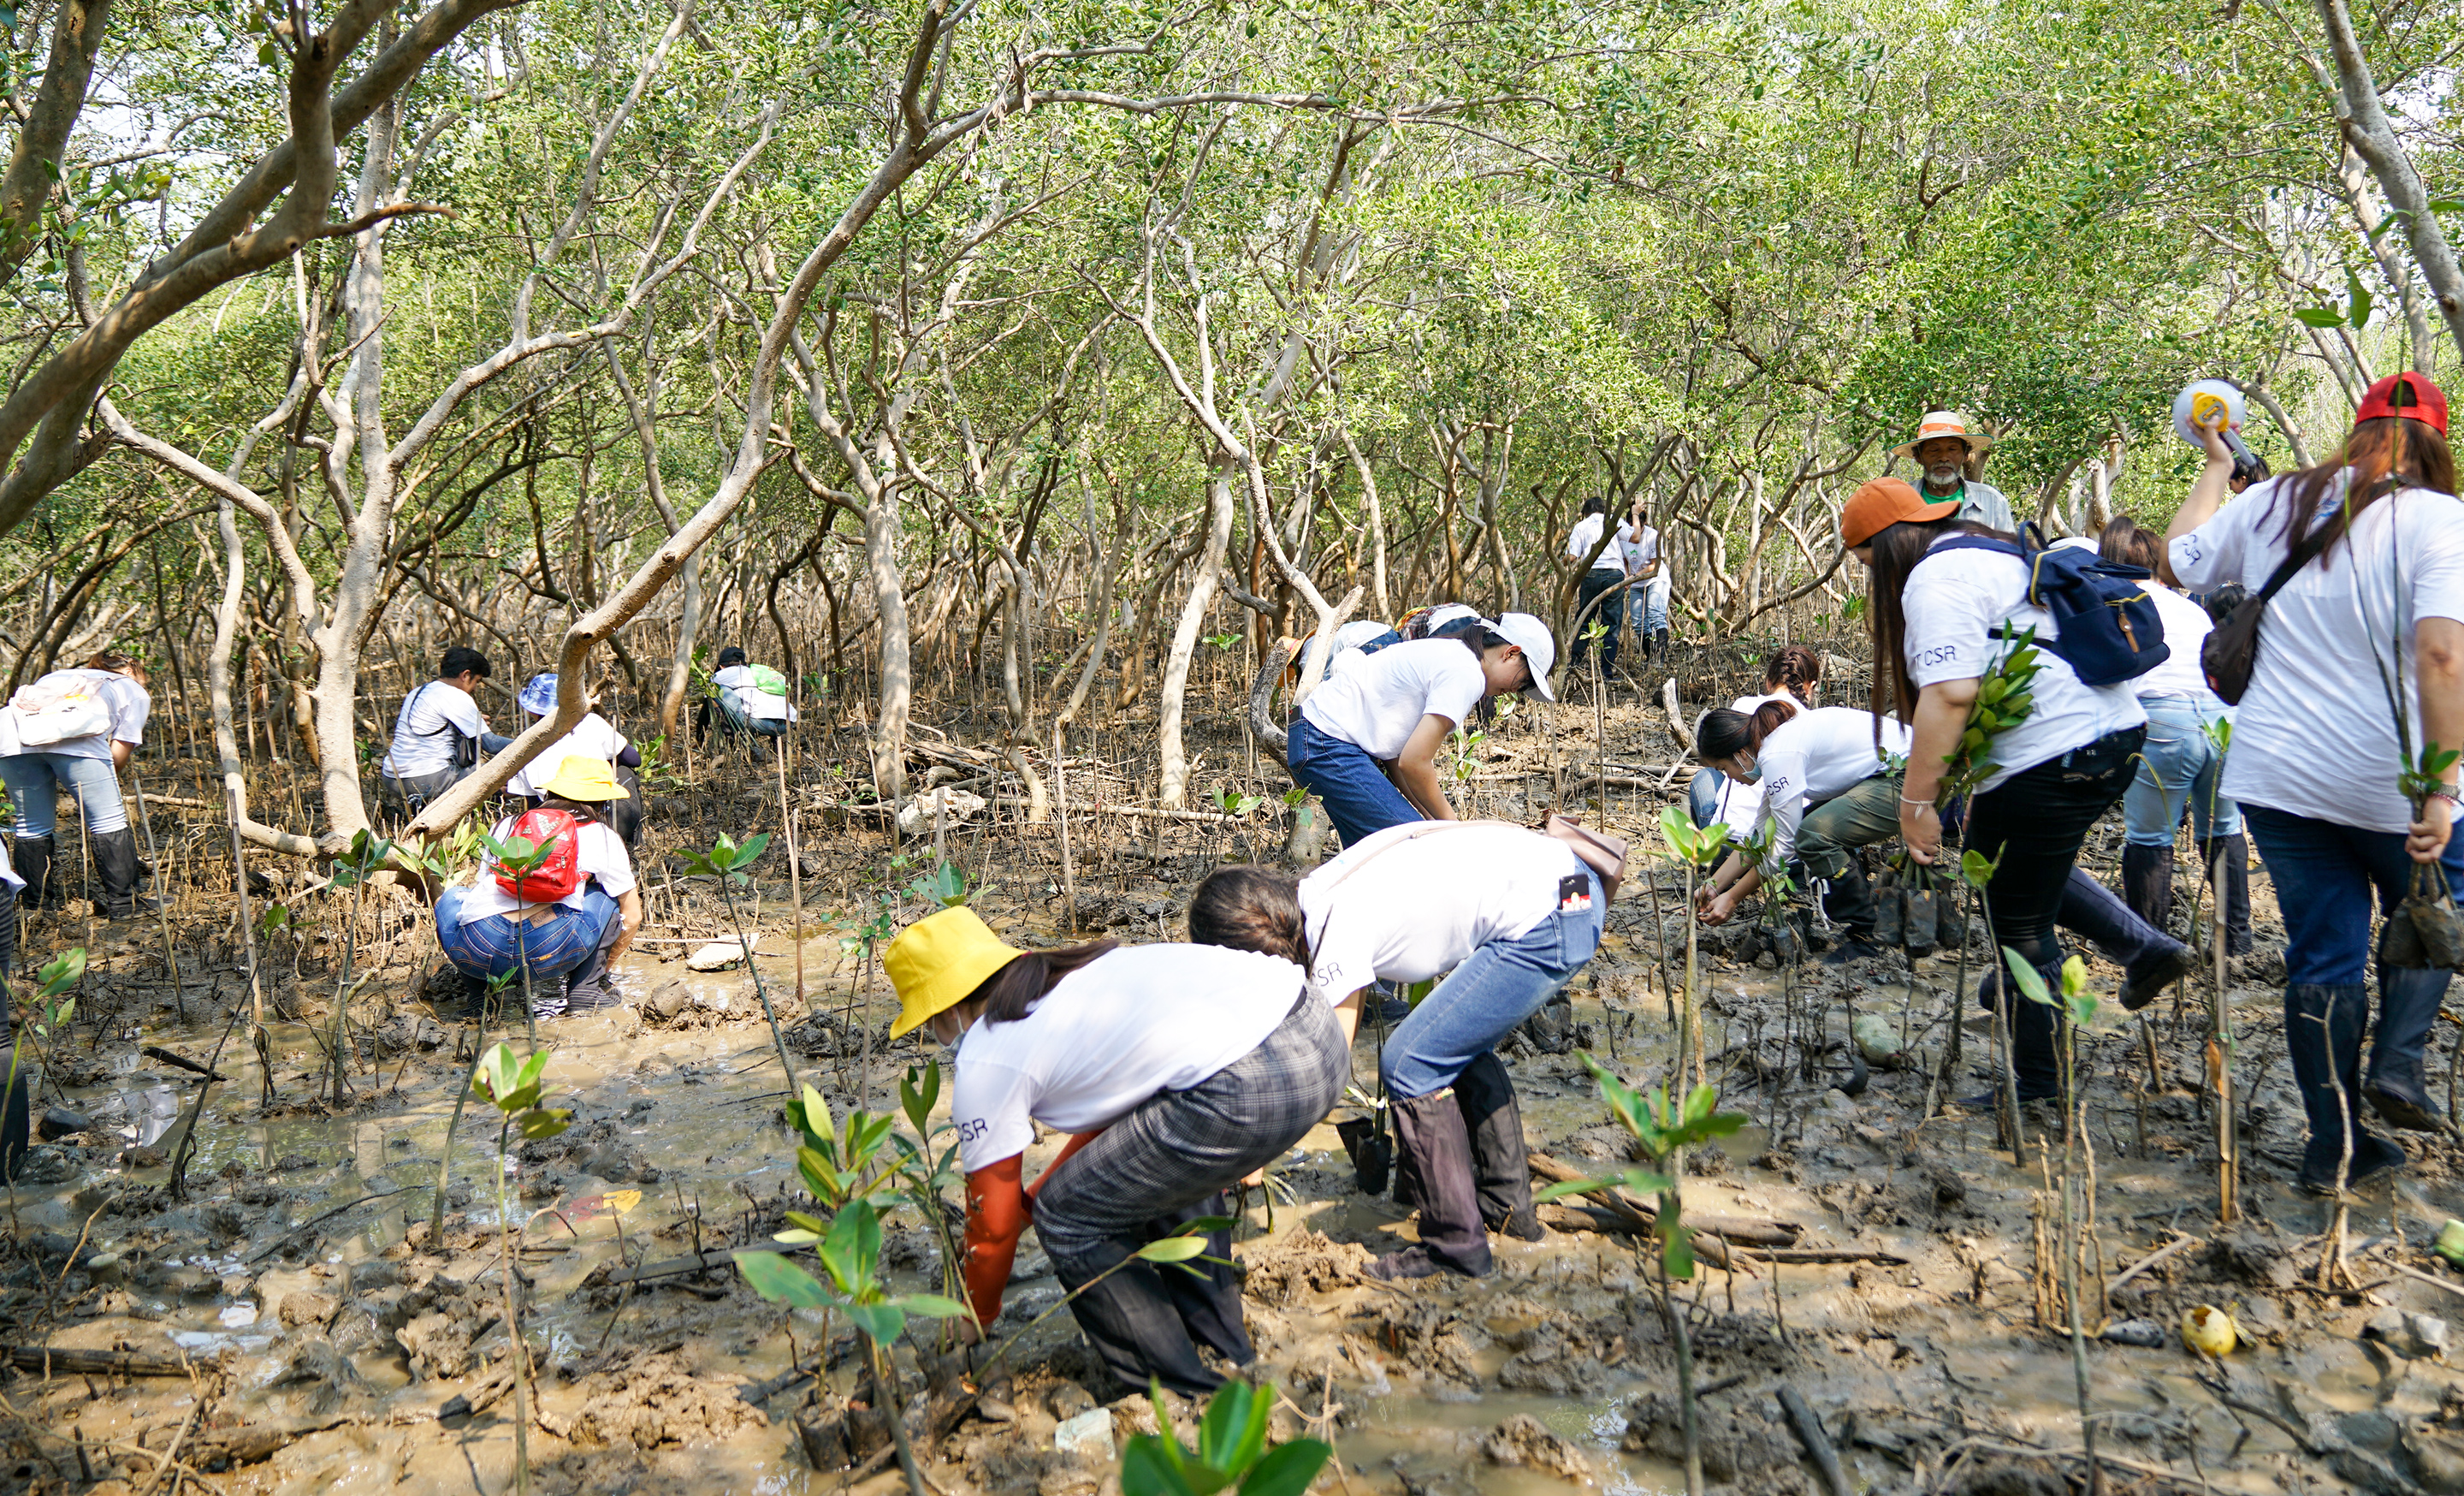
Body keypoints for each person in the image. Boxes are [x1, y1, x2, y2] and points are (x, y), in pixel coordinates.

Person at [2165, 373, 2464, 1194]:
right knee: (2439, 900)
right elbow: (2443, 657)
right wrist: (2441, 788)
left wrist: (2216, 464)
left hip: (2278, 775)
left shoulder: (2276, 501)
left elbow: (2178, 557)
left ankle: (2333, 1146)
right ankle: (2398, 1062)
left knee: (2323, 954)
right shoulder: (2443, 519)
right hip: (2390, 780)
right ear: (2436, 442)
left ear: (2357, 432)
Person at [882, 907, 1346, 1398]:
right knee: (1151, 1162)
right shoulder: (1070, 975)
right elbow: (1124, 1136)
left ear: (947, 1011)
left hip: (1259, 1081)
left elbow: (991, 1231)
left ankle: (1182, 1393)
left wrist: (973, 1318)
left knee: (1066, 1218)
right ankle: (1226, 1348)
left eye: (931, 1024)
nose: (937, 1036)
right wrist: (1027, 1206)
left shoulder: (986, 1056)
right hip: (1316, 1030)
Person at [1188, 820, 1605, 1279]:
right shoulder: (1319, 892)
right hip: (1572, 885)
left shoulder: (1332, 928)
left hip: (1556, 916)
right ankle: (1508, 1209)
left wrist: (1251, 1156)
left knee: (1409, 1062)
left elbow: (1327, 1069)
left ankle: (1457, 1248)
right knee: (1444, 1039)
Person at [1847, 477, 2146, 1107]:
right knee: (2003, 862)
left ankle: (2039, 1085)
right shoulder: (1994, 550)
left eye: (1870, 565)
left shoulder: (1935, 576)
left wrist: (1915, 806)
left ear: (1890, 545)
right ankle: (2143, 947)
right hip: (2113, 736)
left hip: (2055, 752)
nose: (1874, 581)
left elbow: (1951, 695)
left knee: (2021, 925)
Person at [2100, 519, 2249, 958]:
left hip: (2165, 722)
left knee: (2149, 839)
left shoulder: (2115, 604)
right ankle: (2236, 942)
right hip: (2223, 721)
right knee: (2223, 829)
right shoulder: (2189, 608)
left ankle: (2150, 948)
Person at [1287, 613, 1556, 846]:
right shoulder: (1466, 673)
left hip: (1314, 737)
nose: (1516, 692)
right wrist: (1453, 826)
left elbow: (1397, 758)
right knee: (1411, 846)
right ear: (1511, 653)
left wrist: (1429, 817)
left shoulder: (1451, 653)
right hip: (1327, 743)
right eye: (1524, 681)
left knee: (1371, 861)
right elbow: (1415, 762)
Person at [1691, 698, 1911, 964]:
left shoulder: (1777, 756)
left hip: (1910, 774)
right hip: (1891, 772)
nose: (1728, 778)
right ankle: (1865, 924)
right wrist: (1712, 887)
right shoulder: (1774, 748)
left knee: (1813, 836)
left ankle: (1868, 936)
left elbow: (1784, 845)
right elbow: (1758, 836)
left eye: (1722, 769)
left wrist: (1733, 898)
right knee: (1811, 828)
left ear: (1740, 755)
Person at [435, 756, 642, 1015]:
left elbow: (480, 890)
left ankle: (481, 1000)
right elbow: (633, 915)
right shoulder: (603, 836)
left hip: (479, 951)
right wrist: (603, 969)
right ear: (602, 802)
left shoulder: (507, 825)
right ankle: (586, 989)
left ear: (551, 792)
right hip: (549, 952)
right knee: (605, 897)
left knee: (456, 895)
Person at [1, 650, 157, 918]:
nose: (145, 686)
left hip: (10, 738)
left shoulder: (59, 676)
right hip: (76, 739)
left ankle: (36, 909)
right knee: (107, 821)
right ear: (131, 670)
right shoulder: (132, 689)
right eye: (145, 680)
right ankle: (124, 906)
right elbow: (119, 753)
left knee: (31, 824)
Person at [1689, 645, 1823, 828]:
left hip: (1729, 833)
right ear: (1810, 688)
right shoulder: (1810, 724)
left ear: (1768, 683)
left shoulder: (1742, 705)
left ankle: (1701, 840)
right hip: (1782, 829)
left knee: (1706, 775)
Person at [508, 674, 644, 848]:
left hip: (555, 827)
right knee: (625, 769)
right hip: (599, 817)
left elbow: (532, 804)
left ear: (530, 709)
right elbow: (634, 759)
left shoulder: (523, 743)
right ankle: (632, 846)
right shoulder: (591, 722)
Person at [381, 647, 513, 813]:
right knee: (483, 773)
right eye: (477, 681)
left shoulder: (419, 692)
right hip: (425, 778)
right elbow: (491, 744)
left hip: (392, 777)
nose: (475, 688)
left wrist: (473, 723)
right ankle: (501, 801)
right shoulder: (455, 696)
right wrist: (534, 743)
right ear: (465, 675)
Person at [1893, 410, 2015, 532]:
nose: (1944, 457)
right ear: (1918, 456)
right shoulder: (1898, 502)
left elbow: (2008, 544)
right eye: (1934, 450)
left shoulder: (1991, 501)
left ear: (1965, 455)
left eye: (1952, 449)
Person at [1566, 499, 1637, 674]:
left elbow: (1572, 557)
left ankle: (1574, 665)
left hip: (1590, 573)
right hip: (1614, 574)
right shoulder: (1614, 520)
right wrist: (1635, 513)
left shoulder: (1581, 526)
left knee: (1584, 619)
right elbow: (1635, 537)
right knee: (1611, 624)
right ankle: (1607, 672)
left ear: (1585, 512)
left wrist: (1559, 562)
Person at [708, 646, 797, 741]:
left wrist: (700, 736)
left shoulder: (719, 676)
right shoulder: (756, 672)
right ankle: (775, 743)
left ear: (721, 666)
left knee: (716, 689)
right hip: (788, 723)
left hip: (760, 724)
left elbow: (706, 708)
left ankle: (733, 741)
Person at [1620, 502, 1665, 661]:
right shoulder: (1624, 536)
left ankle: (1660, 659)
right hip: (1636, 582)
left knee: (1655, 615)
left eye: (1638, 523)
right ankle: (1651, 658)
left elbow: (1654, 565)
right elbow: (1624, 560)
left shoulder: (1652, 535)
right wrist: (1627, 575)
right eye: (1631, 524)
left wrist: (1634, 577)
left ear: (1644, 522)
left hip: (1655, 579)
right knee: (1638, 623)